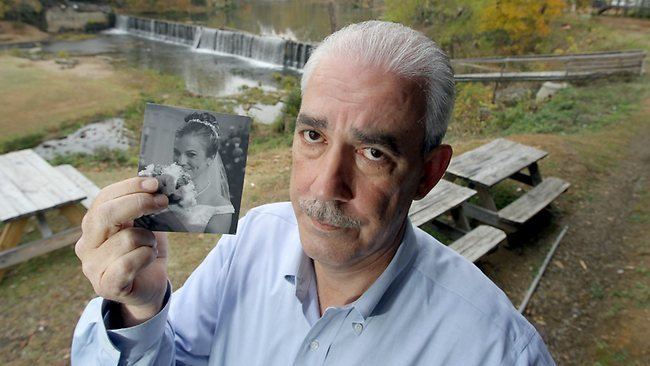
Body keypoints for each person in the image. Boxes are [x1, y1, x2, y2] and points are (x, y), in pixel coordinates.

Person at [71, 21, 555, 365]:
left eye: (373, 154)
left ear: (428, 174)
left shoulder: (499, 352)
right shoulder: (251, 240)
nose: (325, 188)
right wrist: (141, 309)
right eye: (314, 136)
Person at [140, 112, 234, 233]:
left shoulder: (222, 208)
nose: (180, 161)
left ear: (210, 158)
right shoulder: (163, 184)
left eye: (191, 154)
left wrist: (169, 219)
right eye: (177, 152)